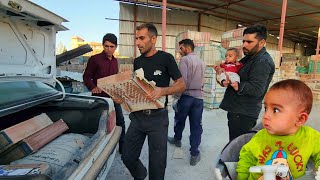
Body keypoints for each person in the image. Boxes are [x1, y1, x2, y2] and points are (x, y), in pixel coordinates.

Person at [121, 23, 186, 180]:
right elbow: (138, 87)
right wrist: (122, 96)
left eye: (142, 38)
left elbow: (182, 85)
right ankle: (141, 175)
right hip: (137, 117)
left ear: (153, 39)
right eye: (137, 38)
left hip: (158, 118)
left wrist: (162, 91)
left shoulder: (166, 58)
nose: (138, 42)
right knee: (127, 156)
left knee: (157, 166)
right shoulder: (137, 61)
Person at [236, 79, 320, 180]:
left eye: (276, 110)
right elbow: (246, 158)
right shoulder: (260, 137)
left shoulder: (310, 136)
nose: (266, 115)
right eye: (266, 108)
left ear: (300, 119)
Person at [216, 24, 275, 141]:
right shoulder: (249, 57)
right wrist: (223, 73)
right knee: (234, 143)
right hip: (237, 110)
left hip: (244, 114)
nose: (244, 45)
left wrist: (238, 85)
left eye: (249, 42)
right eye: (243, 41)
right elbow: (234, 71)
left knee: (239, 147)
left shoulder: (262, 61)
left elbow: (257, 89)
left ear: (262, 42)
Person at [83, 33, 125, 154]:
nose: (109, 49)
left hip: (113, 97)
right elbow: (86, 76)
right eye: (106, 46)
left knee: (120, 122)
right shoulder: (94, 59)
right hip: (100, 99)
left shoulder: (115, 61)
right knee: (100, 125)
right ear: (103, 45)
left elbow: (115, 79)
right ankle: (97, 151)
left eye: (112, 46)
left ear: (116, 47)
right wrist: (93, 87)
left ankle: (123, 148)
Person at [167, 38, 205, 166]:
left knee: (179, 120)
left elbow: (181, 83)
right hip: (199, 98)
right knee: (196, 125)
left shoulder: (185, 60)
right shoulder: (201, 62)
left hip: (186, 97)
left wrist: (176, 98)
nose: (180, 51)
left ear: (188, 48)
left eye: (181, 48)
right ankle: (194, 153)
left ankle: (177, 139)